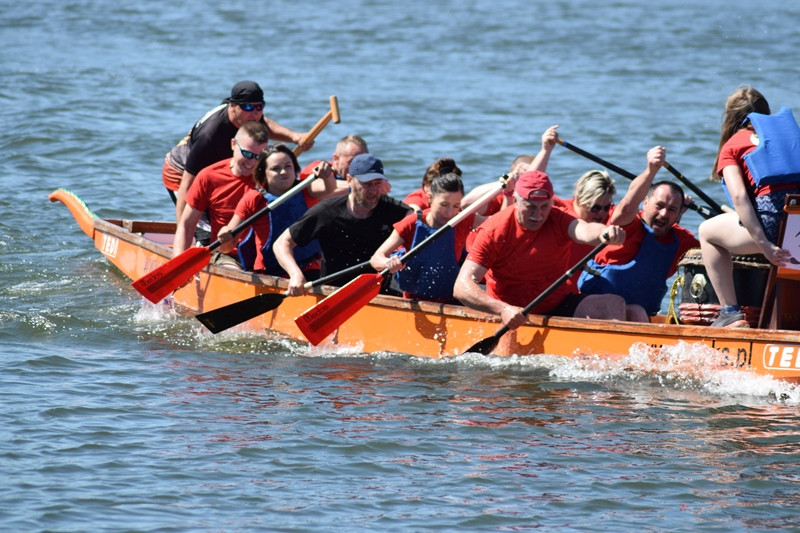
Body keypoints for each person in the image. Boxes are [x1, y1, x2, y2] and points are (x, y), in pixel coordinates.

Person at [453, 170, 629, 330]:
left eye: (544, 207)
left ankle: (613, 361)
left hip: (555, 305)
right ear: (515, 201)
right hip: (510, 314)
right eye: (530, 207)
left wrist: (605, 233)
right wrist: (503, 309)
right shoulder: (494, 230)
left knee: (614, 304)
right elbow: (461, 287)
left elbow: (584, 230)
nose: (538, 216)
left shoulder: (558, 218)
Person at [699, 86, 800, 327]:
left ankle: (730, 312)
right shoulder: (791, 140)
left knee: (707, 232)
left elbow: (740, 197)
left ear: (731, 118)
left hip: (775, 225)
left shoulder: (734, 145)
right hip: (797, 222)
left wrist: (764, 245)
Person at [162, 80, 311, 223]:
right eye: (248, 108)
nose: (254, 114)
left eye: (259, 107)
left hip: (216, 168)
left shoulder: (250, 116)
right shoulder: (210, 135)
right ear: (232, 106)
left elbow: (264, 124)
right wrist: (182, 230)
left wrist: (295, 137)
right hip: (179, 173)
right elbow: (187, 185)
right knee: (206, 228)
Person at [577, 146, 699, 319]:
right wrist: (651, 170)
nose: (664, 214)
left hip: (635, 313)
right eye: (659, 206)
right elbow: (627, 206)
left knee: (638, 312)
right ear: (645, 202)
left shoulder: (682, 240)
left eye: (672, 209)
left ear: (680, 214)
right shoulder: (628, 224)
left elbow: (718, 252)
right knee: (616, 304)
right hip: (592, 306)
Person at [274, 153, 411, 295]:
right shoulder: (327, 211)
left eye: (377, 183)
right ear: (349, 180)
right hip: (334, 291)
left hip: (380, 291)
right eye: (367, 184)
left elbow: (418, 221)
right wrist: (295, 274)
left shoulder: (394, 210)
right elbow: (282, 243)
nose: (373, 191)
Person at [217, 144, 336, 275]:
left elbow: (329, 188)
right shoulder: (253, 199)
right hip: (270, 272)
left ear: (295, 168)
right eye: (276, 169)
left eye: (288, 166)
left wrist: (327, 174)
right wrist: (224, 235)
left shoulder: (306, 188)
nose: (284, 172)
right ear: (264, 173)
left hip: (308, 265)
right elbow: (227, 248)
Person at [371, 172, 482, 302]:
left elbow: (498, 223)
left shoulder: (462, 219)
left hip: (451, 301)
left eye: (456, 206)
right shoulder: (411, 223)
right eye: (444, 205)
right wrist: (388, 263)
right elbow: (375, 259)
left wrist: (509, 195)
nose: (449, 212)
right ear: (430, 198)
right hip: (413, 301)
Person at [172, 121, 270, 267]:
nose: (252, 163)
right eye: (247, 154)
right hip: (225, 254)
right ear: (233, 144)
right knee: (234, 269)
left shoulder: (269, 177)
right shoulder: (209, 176)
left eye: (259, 157)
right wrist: (178, 265)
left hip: (263, 253)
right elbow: (186, 225)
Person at [297, 134, 370, 207]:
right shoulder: (320, 168)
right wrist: (366, 187)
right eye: (351, 162)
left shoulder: (370, 177)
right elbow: (316, 188)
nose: (358, 167)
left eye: (363, 162)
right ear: (336, 158)